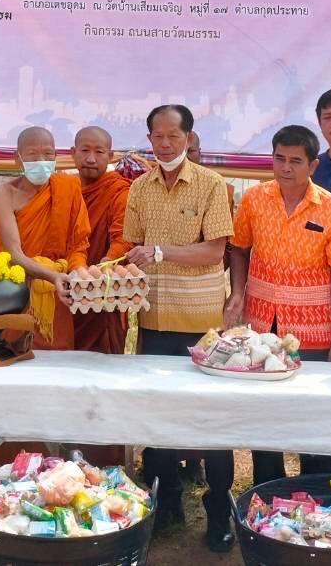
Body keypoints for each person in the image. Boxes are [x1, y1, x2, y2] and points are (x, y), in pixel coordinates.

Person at [123, 104, 236, 552]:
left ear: (189, 137)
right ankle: (166, 501)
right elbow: (133, 246)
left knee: (212, 417)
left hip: (201, 324)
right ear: (149, 138)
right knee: (158, 414)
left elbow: (214, 252)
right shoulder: (139, 187)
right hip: (154, 320)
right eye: (158, 136)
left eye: (174, 135)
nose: (166, 144)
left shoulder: (212, 184)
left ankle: (219, 509)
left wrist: (161, 252)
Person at [229, 124, 331, 485]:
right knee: (265, 416)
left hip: (313, 330)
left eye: (296, 161)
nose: (286, 167)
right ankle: (267, 492)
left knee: (314, 416)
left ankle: (316, 494)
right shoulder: (254, 199)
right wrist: (237, 292)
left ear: (313, 165)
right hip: (261, 327)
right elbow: (238, 248)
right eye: (280, 158)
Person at [0, 125, 90, 349]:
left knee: (57, 359)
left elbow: (78, 244)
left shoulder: (68, 187)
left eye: (48, 154)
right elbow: (14, 253)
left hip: (58, 293)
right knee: (17, 353)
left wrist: (78, 271)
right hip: (18, 289)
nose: (41, 160)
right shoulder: (5, 193)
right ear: (17, 158)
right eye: (32, 154)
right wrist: (52, 277)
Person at [72, 125, 132, 354]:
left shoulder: (118, 191)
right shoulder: (62, 190)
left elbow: (123, 238)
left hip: (102, 291)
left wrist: (104, 265)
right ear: (73, 153)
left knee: (102, 361)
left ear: (110, 156)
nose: (91, 158)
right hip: (64, 287)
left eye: (99, 152)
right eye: (84, 150)